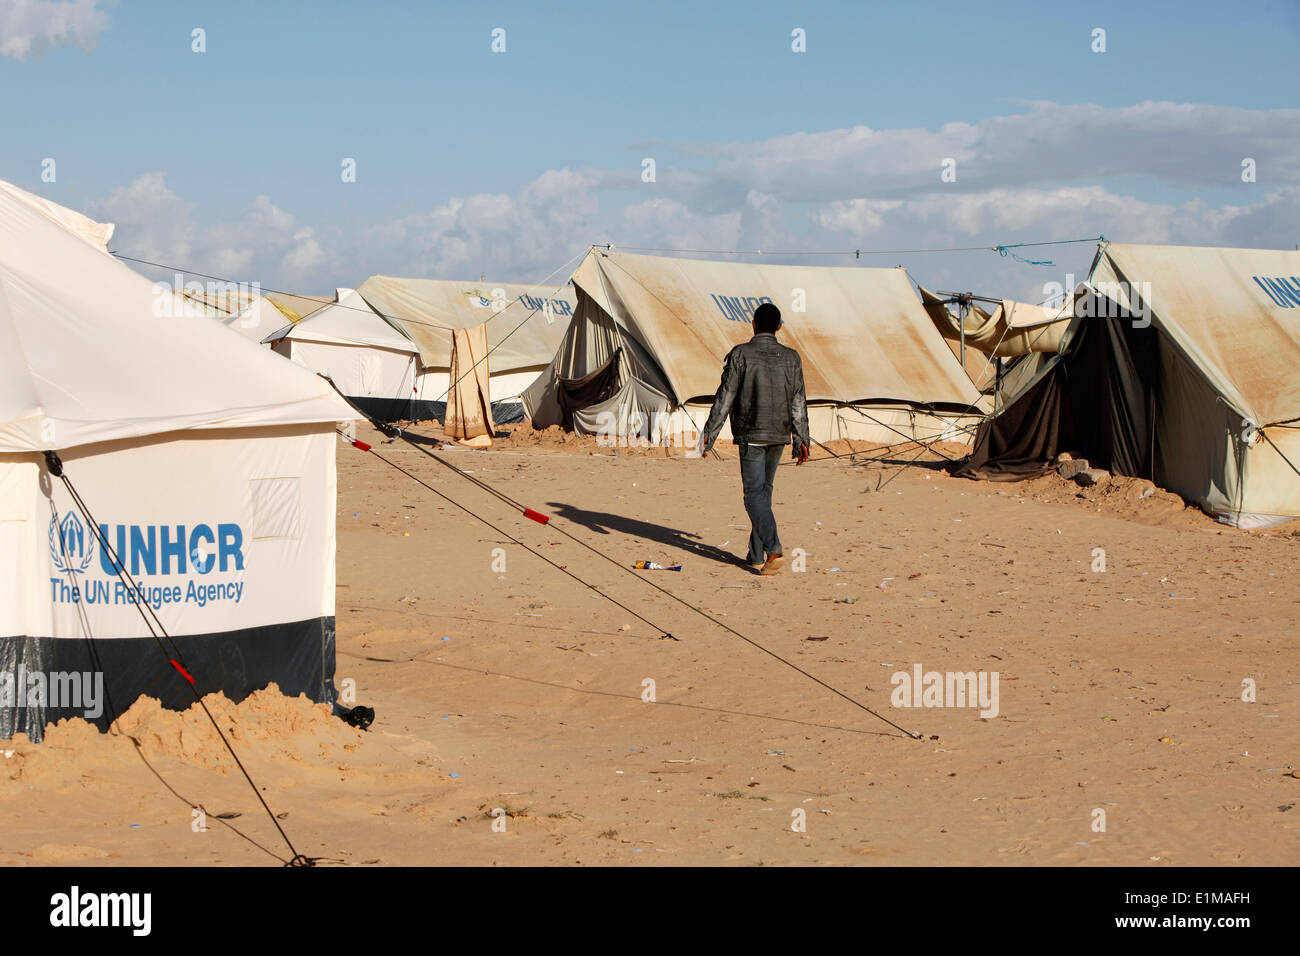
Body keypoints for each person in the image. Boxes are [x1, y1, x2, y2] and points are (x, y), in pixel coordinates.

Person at [699, 302, 810, 575]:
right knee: (764, 494)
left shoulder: (740, 355)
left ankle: (773, 549)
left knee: (753, 497)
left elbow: (725, 397)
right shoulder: (792, 358)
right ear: (779, 327)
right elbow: (798, 402)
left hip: (752, 434)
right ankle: (755, 553)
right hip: (779, 435)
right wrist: (801, 439)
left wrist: (709, 434)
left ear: (753, 324)